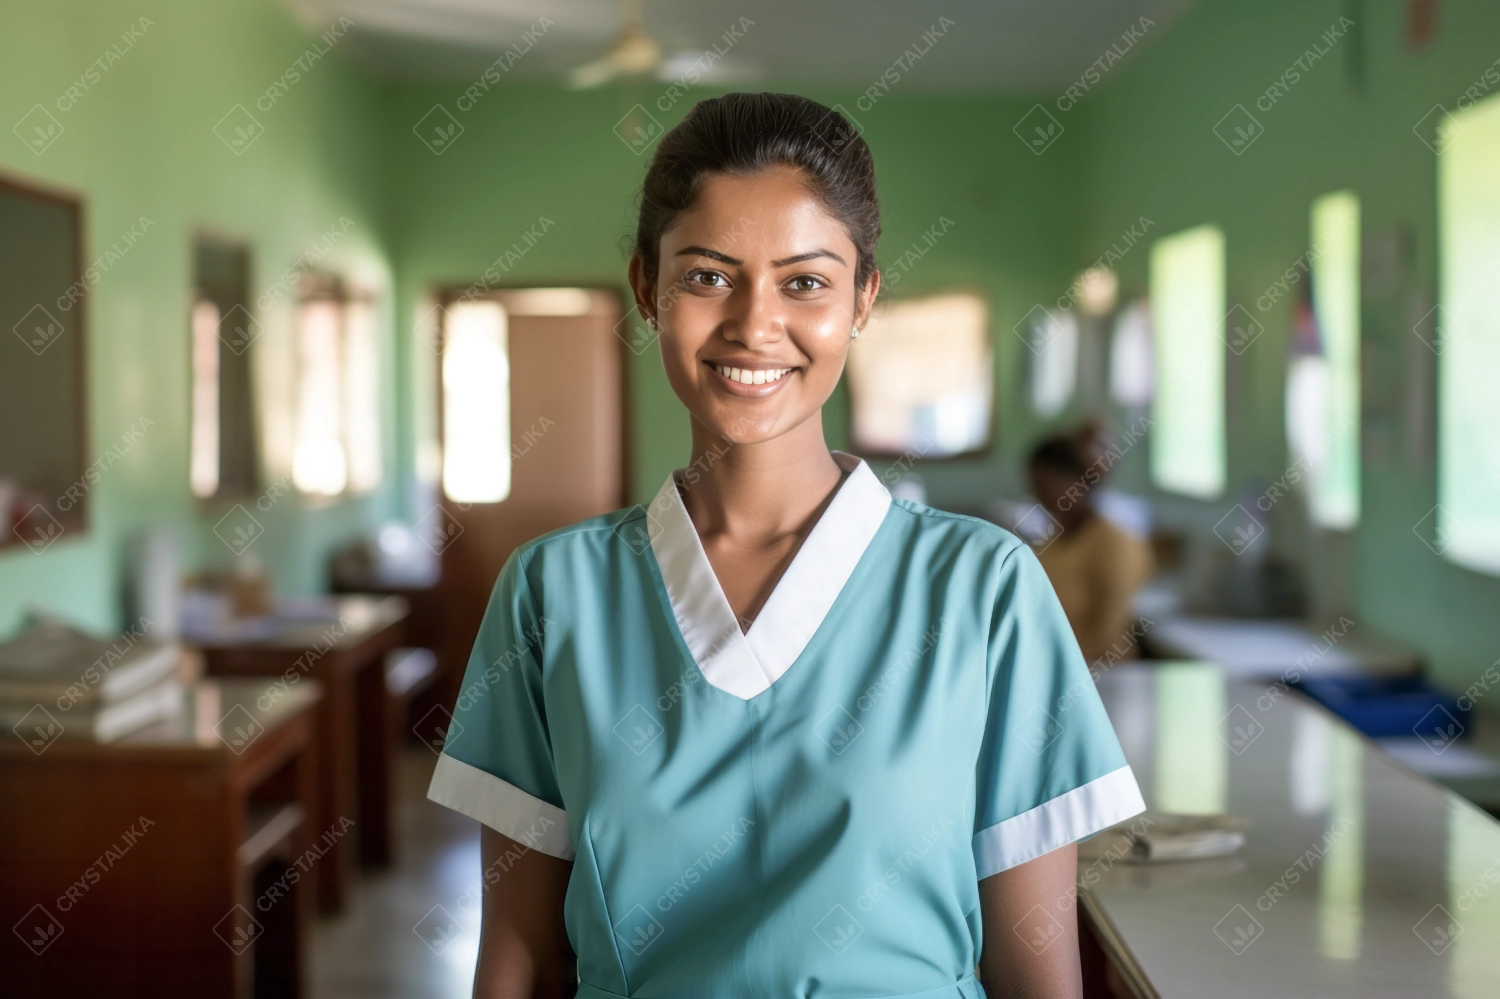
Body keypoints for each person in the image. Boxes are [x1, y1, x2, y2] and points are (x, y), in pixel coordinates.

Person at [427, 93, 1144, 999]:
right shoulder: (552, 592)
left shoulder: (986, 591)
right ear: (647, 288)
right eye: (708, 276)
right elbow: (518, 957)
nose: (754, 325)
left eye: (805, 281)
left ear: (862, 299)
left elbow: (1036, 968)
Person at [1026, 434, 1154, 666]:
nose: (1040, 496)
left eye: (1046, 485)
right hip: (1060, 666)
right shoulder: (1050, 542)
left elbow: (1106, 632)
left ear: (1077, 482)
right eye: (1036, 486)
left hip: (1105, 671)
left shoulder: (1115, 544)